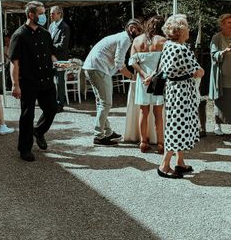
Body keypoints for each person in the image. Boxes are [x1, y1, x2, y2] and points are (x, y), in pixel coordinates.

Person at [150, 14, 203, 178]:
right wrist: (198, 72)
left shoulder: (168, 46)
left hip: (173, 90)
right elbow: (198, 71)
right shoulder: (182, 49)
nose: (189, 30)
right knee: (177, 126)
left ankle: (180, 162)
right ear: (180, 31)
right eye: (186, 27)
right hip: (182, 92)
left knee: (177, 123)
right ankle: (164, 166)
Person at [9, 1, 59, 162]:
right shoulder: (19, 35)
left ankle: (38, 131)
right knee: (27, 115)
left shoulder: (45, 34)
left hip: (46, 79)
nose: (44, 16)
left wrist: (58, 63)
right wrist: (15, 85)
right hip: (28, 81)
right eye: (41, 13)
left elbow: (51, 54)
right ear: (31, 15)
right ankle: (24, 149)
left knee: (52, 108)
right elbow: (14, 62)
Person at [83, 19, 143, 146]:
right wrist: (132, 76)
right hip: (98, 68)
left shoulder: (121, 37)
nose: (140, 34)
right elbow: (119, 63)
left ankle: (108, 132)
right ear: (131, 28)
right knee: (105, 103)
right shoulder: (125, 39)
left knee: (101, 103)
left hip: (92, 66)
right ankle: (98, 136)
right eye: (139, 30)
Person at [129, 15, 166, 154]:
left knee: (143, 112)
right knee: (158, 113)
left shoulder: (137, 40)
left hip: (142, 79)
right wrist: (154, 75)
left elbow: (132, 62)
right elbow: (165, 62)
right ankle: (161, 144)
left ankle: (143, 142)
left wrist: (144, 75)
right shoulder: (163, 41)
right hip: (158, 79)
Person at [209, 14, 231, 136]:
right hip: (221, 76)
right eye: (228, 22)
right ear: (222, 24)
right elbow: (213, 55)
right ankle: (217, 126)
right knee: (220, 101)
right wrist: (225, 51)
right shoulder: (216, 37)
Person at [49, 5, 70, 112]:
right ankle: (51, 102)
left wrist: (49, 48)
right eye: (51, 13)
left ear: (59, 14)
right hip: (50, 58)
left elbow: (63, 45)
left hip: (60, 59)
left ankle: (60, 104)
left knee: (59, 82)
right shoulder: (51, 26)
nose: (50, 15)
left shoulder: (64, 27)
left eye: (52, 13)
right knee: (50, 81)